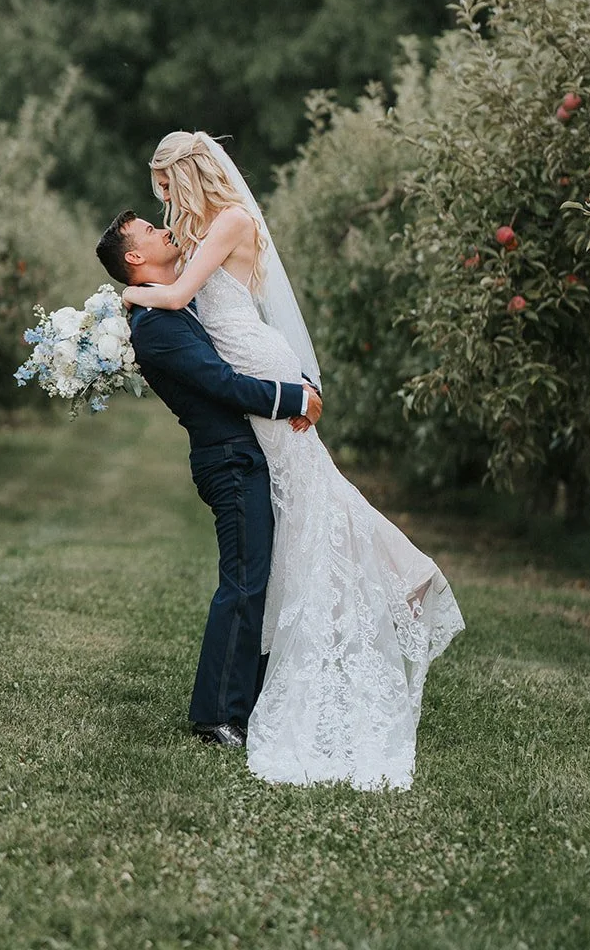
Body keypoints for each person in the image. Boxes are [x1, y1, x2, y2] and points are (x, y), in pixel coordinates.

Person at [115, 131, 464, 791]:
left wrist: (119, 305)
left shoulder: (231, 221)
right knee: (311, 494)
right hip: (250, 374)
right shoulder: (200, 228)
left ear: (180, 177)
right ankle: (404, 575)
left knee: (310, 494)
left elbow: (175, 294)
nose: (161, 205)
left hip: (255, 368)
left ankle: (404, 577)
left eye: (163, 189)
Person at [95, 208, 322, 748]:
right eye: (150, 230)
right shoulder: (156, 327)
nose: (162, 227)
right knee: (243, 583)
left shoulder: (179, 306)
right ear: (135, 257)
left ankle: (248, 703)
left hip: (242, 451)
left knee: (257, 581)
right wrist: (291, 398)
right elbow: (220, 382)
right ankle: (217, 717)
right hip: (228, 459)